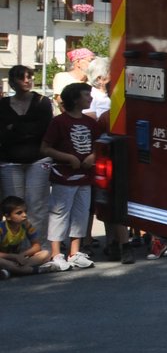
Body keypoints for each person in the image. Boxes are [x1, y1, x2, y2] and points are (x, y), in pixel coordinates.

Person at [39, 81, 98, 271]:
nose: (90, 98)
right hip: (63, 175)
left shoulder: (90, 122)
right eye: (86, 95)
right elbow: (45, 148)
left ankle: (75, 251)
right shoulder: (59, 122)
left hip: (85, 176)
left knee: (81, 213)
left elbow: (99, 145)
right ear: (74, 99)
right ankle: (56, 253)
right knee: (59, 213)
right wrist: (67, 157)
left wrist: (93, 156)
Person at [0, 65, 56, 232]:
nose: (27, 81)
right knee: (14, 206)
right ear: (12, 82)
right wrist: (25, 129)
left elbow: (43, 129)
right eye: (21, 77)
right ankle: (15, 245)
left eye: (30, 77)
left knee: (37, 204)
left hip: (38, 159)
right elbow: (3, 133)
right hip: (10, 160)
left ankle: (37, 246)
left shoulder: (42, 102)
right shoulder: (3, 104)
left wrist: (14, 128)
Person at [0, 195, 49, 277]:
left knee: (45, 253)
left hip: (17, 259)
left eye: (25, 211)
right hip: (5, 258)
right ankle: (35, 270)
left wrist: (22, 255)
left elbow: (37, 246)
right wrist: (14, 257)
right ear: (8, 216)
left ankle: (10, 271)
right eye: (19, 213)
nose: (24, 215)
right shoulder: (1, 229)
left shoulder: (26, 225)